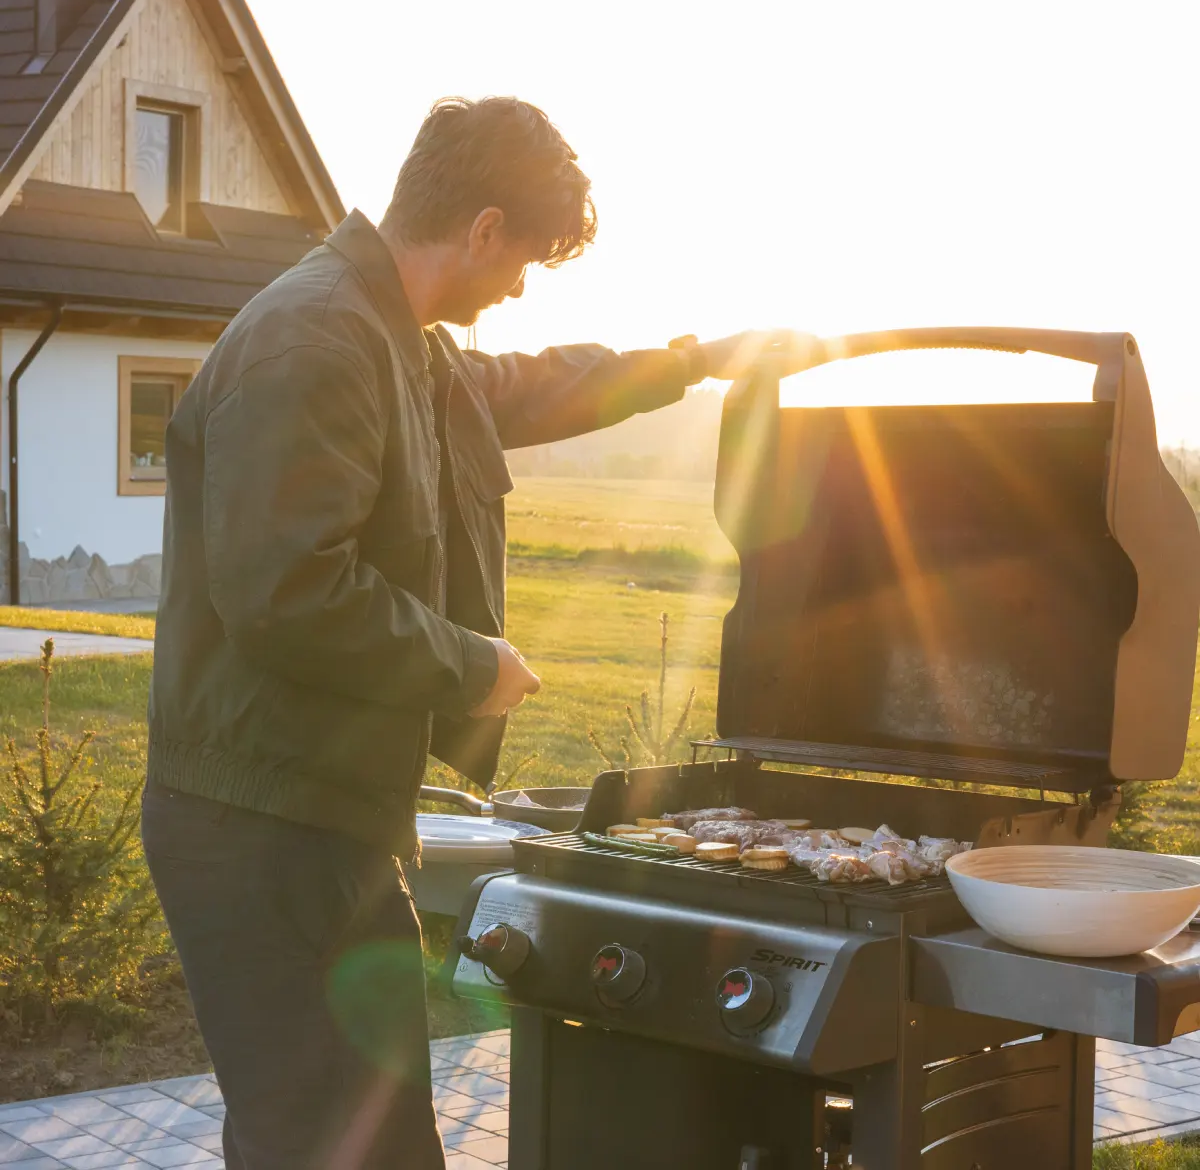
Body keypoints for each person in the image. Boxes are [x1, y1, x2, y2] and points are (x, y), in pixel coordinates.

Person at [141, 95, 795, 1169]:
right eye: (525, 260)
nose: (519, 288)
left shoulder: (403, 345)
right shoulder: (316, 339)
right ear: (485, 228)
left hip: (320, 817)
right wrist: (471, 666)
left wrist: (696, 360)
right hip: (257, 830)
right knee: (330, 1145)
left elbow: (530, 387)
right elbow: (286, 590)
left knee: (362, 1141)